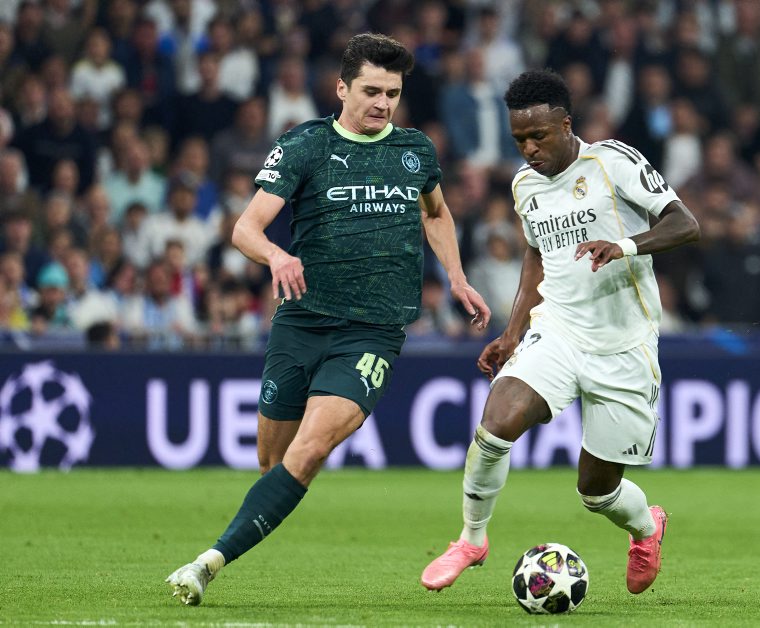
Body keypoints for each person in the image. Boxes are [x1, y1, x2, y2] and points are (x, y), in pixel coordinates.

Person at [165, 33, 490, 606]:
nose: (383, 103)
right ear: (342, 88)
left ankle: (206, 564)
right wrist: (277, 256)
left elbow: (436, 213)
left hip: (373, 332)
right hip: (302, 322)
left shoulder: (415, 150)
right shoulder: (306, 145)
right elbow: (245, 228)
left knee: (310, 451)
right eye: (371, 91)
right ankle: (241, 532)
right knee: (275, 465)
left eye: (392, 93)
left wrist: (457, 277)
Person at [420, 69, 699, 595]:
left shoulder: (612, 162)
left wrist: (624, 246)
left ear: (566, 125)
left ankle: (647, 527)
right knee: (497, 423)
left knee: (597, 491)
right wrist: (512, 332)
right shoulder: (524, 185)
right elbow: (537, 253)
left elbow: (686, 223)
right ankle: (471, 540)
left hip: (624, 344)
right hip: (559, 329)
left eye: (538, 136)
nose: (529, 149)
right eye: (519, 139)